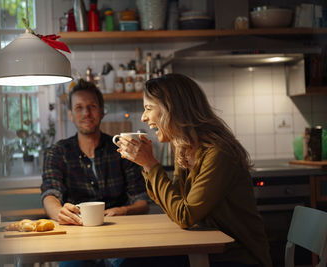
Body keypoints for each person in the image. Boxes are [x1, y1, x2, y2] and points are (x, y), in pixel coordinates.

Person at [115, 73, 272, 267]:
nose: (144, 117)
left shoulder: (218, 153)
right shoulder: (185, 148)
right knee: (129, 263)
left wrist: (150, 164)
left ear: (174, 110)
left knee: (131, 265)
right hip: (207, 249)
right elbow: (174, 202)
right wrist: (146, 165)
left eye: (149, 108)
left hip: (239, 256)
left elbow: (184, 216)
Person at [40, 79, 150, 267]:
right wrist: (59, 213)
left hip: (120, 237)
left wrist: (123, 211)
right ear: (71, 115)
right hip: (76, 239)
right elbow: (50, 194)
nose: (86, 113)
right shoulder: (57, 152)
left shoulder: (121, 150)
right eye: (79, 108)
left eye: (92, 106)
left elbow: (142, 202)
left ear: (102, 111)